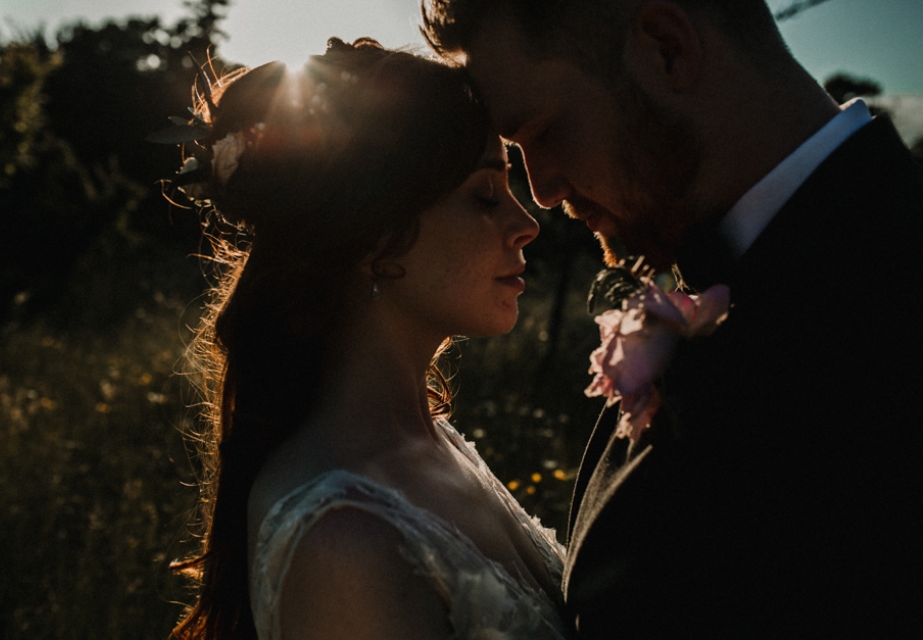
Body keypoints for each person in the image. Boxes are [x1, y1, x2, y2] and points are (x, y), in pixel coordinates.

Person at [422, 0, 923, 637]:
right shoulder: (721, 269)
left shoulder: (888, 308)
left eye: (544, 132)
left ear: (667, 48)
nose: (541, 190)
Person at [162, 37, 576, 640]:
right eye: (485, 196)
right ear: (370, 234)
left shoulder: (433, 442)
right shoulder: (341, 542)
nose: (527, 224)